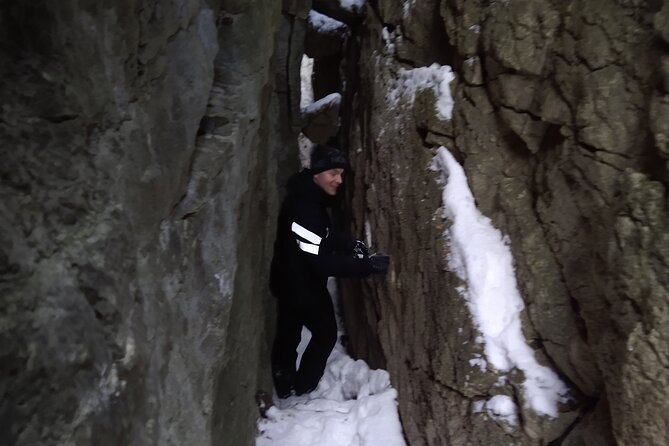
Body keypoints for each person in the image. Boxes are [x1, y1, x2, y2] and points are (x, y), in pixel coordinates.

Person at [269, 144, 390, 398]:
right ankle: (302, 387)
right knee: (325, 333)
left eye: (342, 174)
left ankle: (284, 380)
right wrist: (367, 266)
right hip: (300, 284)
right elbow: (321, 261)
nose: (339, 180)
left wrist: (347, 243)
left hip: (291, 278)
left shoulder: (309, 199)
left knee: (289, 330)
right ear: (317, 172)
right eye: (333, 173)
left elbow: (322, 234)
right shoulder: (303, 208)